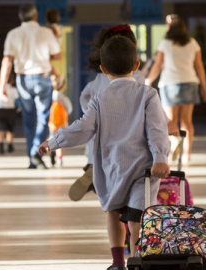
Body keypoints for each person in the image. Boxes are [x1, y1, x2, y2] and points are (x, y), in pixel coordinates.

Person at [39, 35, 170, 269]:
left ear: (102, 69)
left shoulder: (99, 98)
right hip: (144, 170)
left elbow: (82, 128)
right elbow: (157, 129)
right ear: (136, 66)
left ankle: (118, 263)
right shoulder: (148, 94)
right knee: (136, 216)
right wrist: (160, 157)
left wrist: (54, 141)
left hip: (112, 169)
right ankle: (139, 261)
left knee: (113, 212)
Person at [68, 25, 178, 202]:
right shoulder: (136, 76)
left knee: (112, 202)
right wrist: (168, 123)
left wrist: (92, 114)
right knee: (133, 196)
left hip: (102, 145)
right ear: (133, 49)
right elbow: (151, 109)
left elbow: (85, 97)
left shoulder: (100, 77)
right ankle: (132, 218)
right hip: (131, 150)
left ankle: (93, 170)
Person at [0, 4, 61, 169]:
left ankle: (32, 159)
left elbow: (7, 60)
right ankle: (35, 153)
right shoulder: (46, 32)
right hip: (42, 77)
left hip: (23, 79)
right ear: (35, 16)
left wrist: (2, 85)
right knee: (43, 118)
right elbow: (58, 54)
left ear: (21, 17)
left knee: (28, 120)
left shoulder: (13, 34)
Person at [145, 16, 206, 164]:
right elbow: (199, 66)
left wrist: (148, 80)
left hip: (170, 84)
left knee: (171, 121)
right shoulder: (193, 43)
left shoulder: (165, 43)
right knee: (187, 122)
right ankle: (187, 155)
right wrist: (204, 87)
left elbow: (158, 65)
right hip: (190, 83)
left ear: (170, 29)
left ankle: (174, 144)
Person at [48, 75, 72, 166]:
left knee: (51, 139)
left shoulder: (49, 97)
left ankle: (52, 155)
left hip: (52, 123)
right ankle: (59, 159)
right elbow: (69, 109)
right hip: (61, 124)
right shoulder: (63, 98)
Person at [0, 73, 19, 154]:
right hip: (11, 111)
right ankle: (10, 144)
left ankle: (0, 144)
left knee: (0, 129)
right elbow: (17, 100)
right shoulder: (14, 90)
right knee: (10, 129)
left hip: (1, 110)